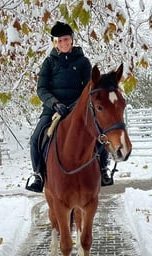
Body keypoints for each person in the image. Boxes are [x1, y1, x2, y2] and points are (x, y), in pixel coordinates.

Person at [26, 21, 112, 193]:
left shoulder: (82, 62)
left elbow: (89, 87)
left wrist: (75, 105)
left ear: (71, 40)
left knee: (99, 133)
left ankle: (103, 168)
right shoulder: (49, 62)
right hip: (53, 110)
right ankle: (38, 174)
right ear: (55, 43)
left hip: (77, 108)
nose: (63, 43)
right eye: (59, 41)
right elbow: (41, 88)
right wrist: (54, 103)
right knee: (35, 138)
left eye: (66, 39)